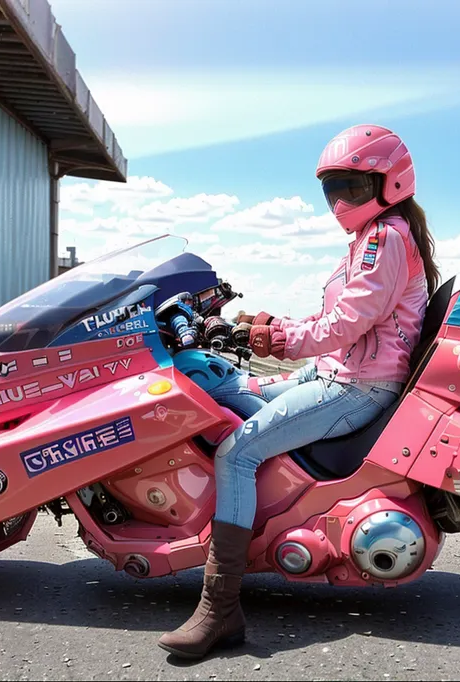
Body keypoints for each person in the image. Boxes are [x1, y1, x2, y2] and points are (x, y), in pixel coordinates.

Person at [158, 124, 441, 660]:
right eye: (330, 188)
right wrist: (258, 325)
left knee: (236, 451)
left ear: (391, 183)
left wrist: (277, 338)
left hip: (358, 387)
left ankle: (220, 610)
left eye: (351, 187)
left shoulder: (386, 237)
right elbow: (333, 317)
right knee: (233, 390)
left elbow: (346, 324)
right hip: (336, 373)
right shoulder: (372, 238)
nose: (338, 200)